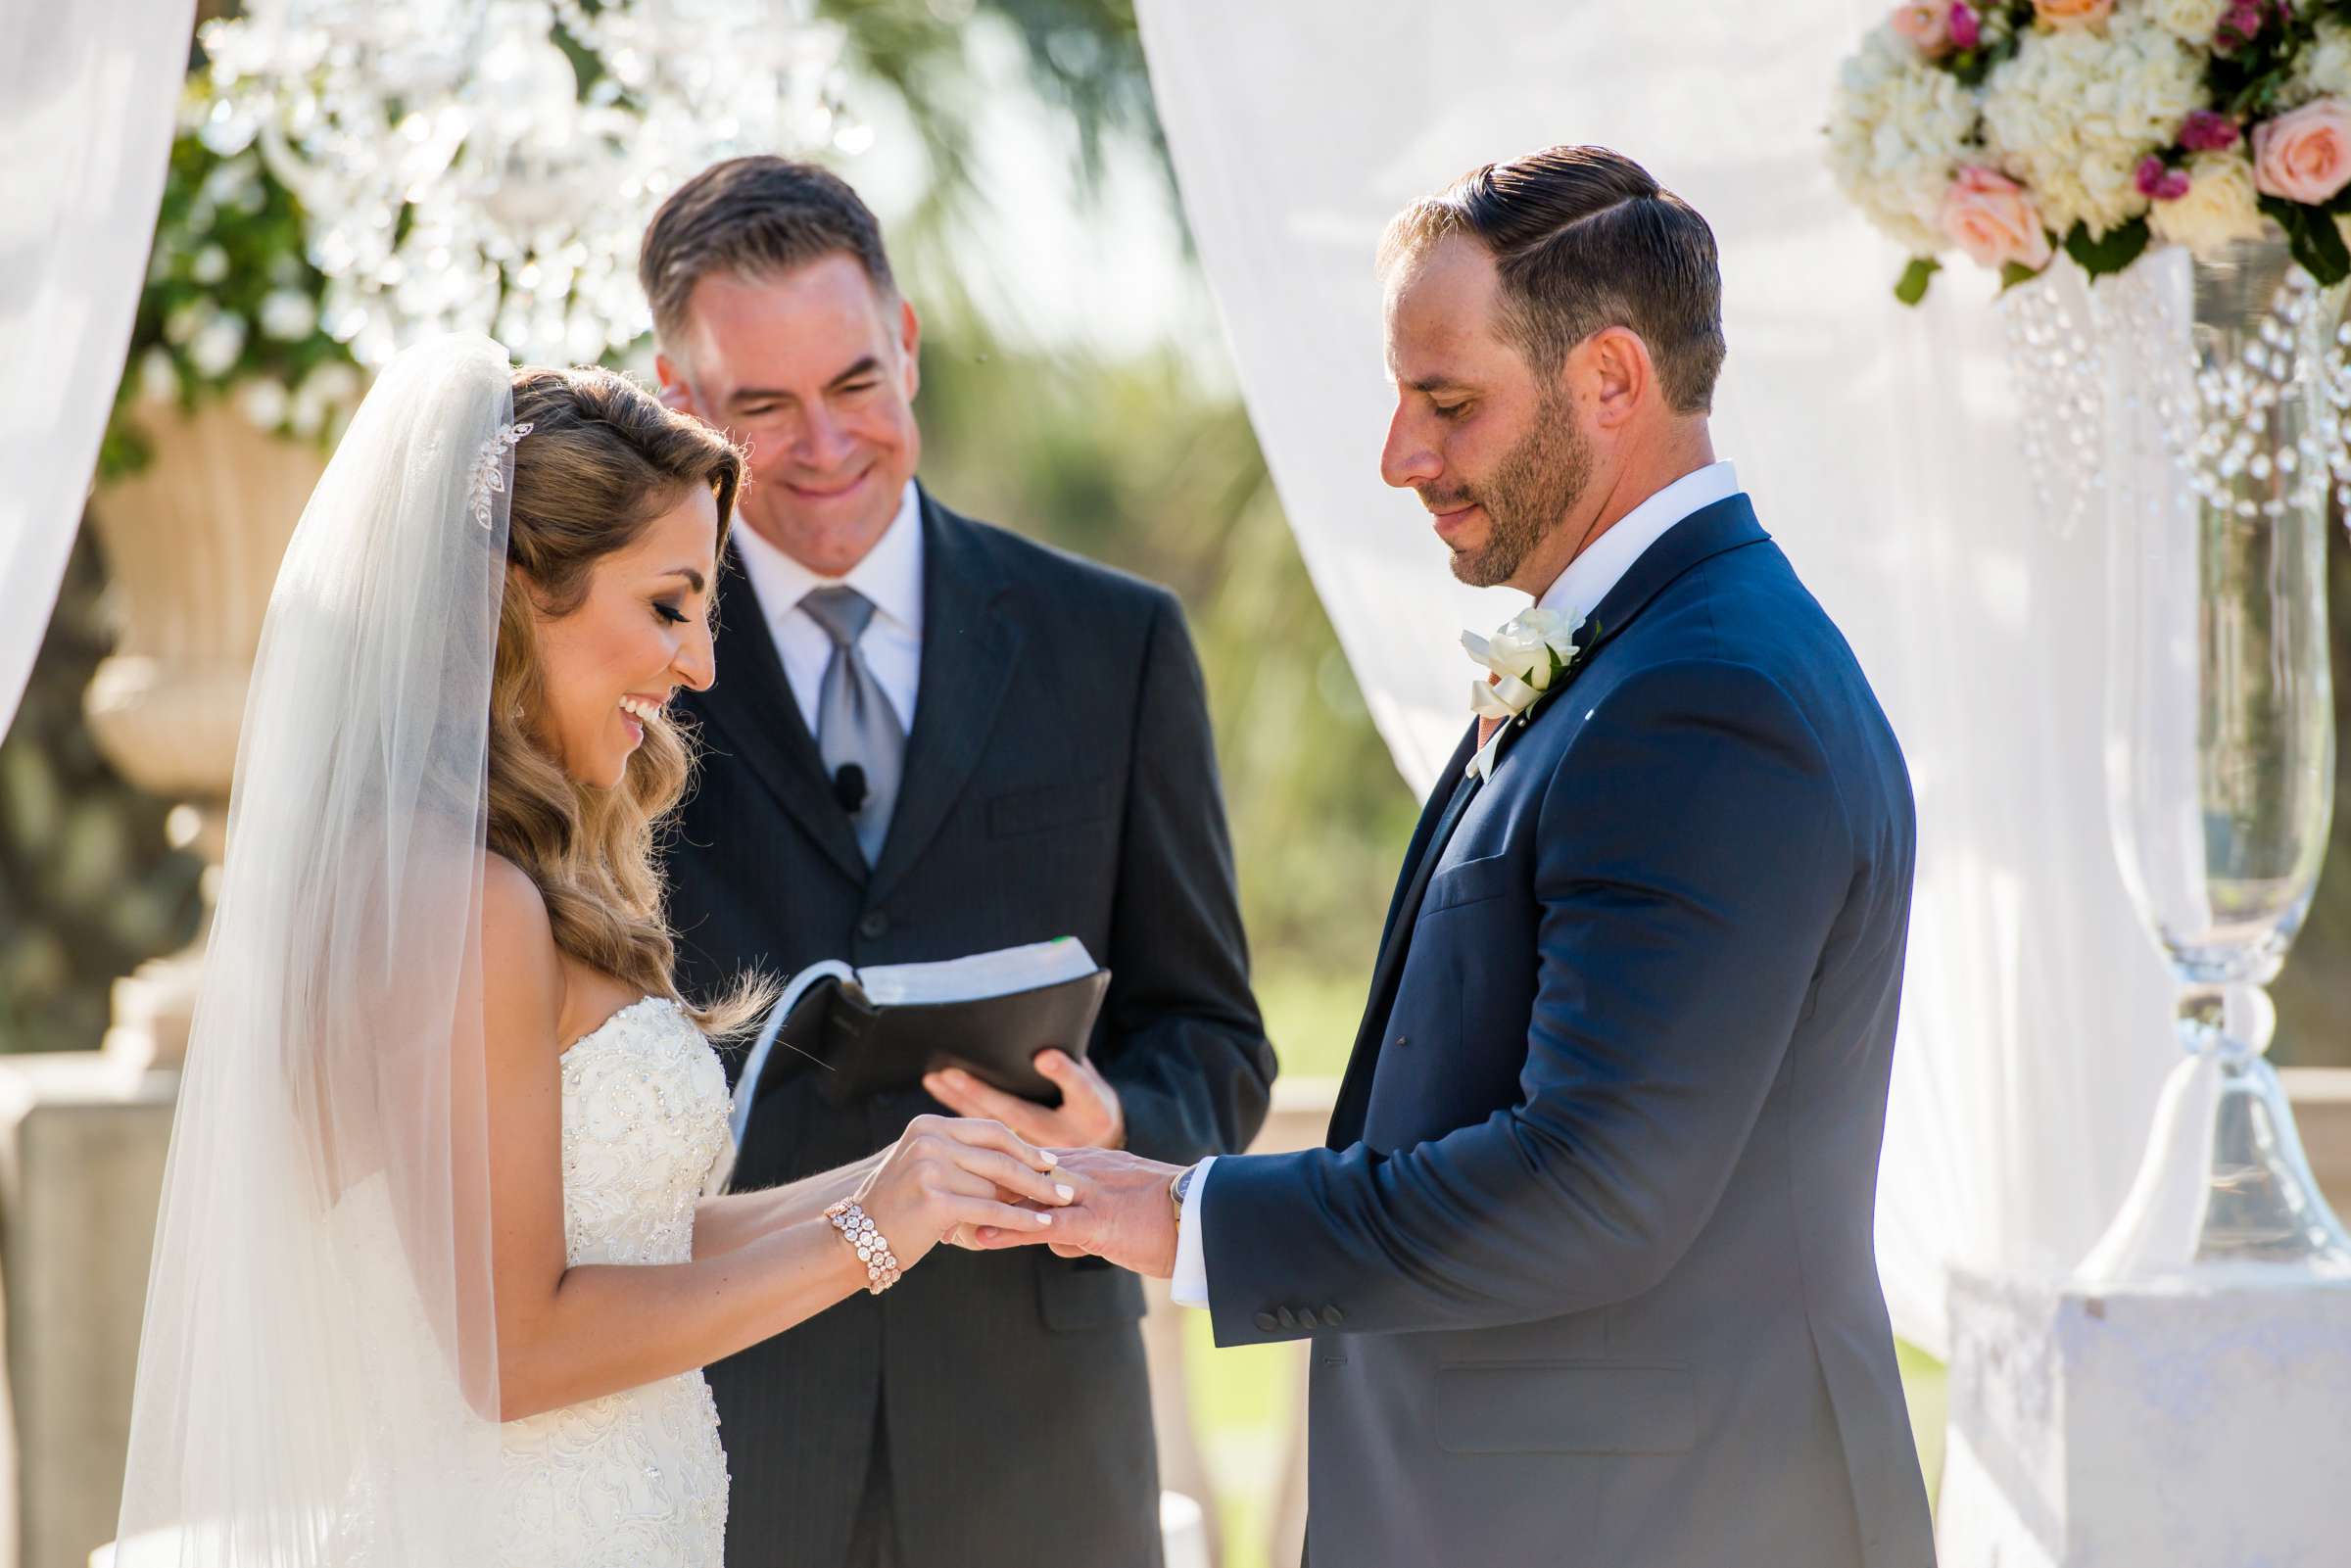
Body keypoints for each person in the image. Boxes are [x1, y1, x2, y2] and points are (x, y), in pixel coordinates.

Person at [976, 145, 1940, 1568]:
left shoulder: (1704, 694)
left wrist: (1184, 1215)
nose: (1399, 456)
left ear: (1612, 381)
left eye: (1447, 402)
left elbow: (1596, 1186)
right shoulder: (1636, 654)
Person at [111, 337, 1072, 1568]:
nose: (701, 663)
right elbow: (513, 1350)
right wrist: (866, 1237)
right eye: (668, 604)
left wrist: (903, 1176)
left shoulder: (488, 878)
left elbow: (630, 1242)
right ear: (520, 590)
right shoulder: (459, 903)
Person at [639, 157, 1275, 1568]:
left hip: (1040, 1440)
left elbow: (1218, 1042)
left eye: (857, 382)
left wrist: (1115, 1127)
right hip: (725, 1428)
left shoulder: (1115, 646)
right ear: (682, 403)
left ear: (909, 346)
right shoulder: (627, 670)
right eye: (763, 406)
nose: (823, 444)